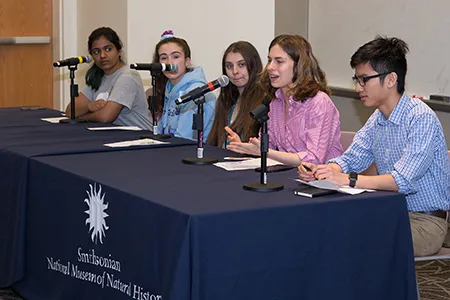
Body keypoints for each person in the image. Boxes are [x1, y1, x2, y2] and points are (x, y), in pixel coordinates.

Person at [298, 36, 450, 257]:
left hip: (425, 223)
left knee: (358, 239)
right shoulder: (377, 118)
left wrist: (348, 179)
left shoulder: (420, 117)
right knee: (329, 226)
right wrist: (326, 170)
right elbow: (351, 159)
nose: (358, 87)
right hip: (389, 211)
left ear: (390, 79)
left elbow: (402, 181)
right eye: (356, 79)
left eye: (364, 79)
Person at [226, 34, 343, 166]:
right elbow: (267, 145)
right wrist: (246, 147)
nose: (270, 67)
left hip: (321, 181)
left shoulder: (319, 102)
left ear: (299, 66)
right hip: (289, 176)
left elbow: (313, 159)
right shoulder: (276, 102)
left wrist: (264, 151)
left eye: (279, 61)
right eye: (269, 60)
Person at [65, 27, 151, 129]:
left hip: (140, 137)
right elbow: (70, 111)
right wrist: (89, 106)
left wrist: (83, 117)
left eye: (108, 49)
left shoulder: (128, 76)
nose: (102, 55)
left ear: (119, 51)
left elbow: (106, 117)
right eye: (96, 52)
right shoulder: (98, 76)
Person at [152, 30, 216, 141]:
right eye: (163, 58)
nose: (169, 62)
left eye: (175, 57)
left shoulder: (196, 91)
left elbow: (184, 137)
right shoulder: (168, 88)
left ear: (187, 61)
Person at [207, 41, 265, 147]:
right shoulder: (226, 99)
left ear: (253, 65)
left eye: (241, 65)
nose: (235, 71)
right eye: (229, 66)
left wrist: (242, 146)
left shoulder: (264, 102)